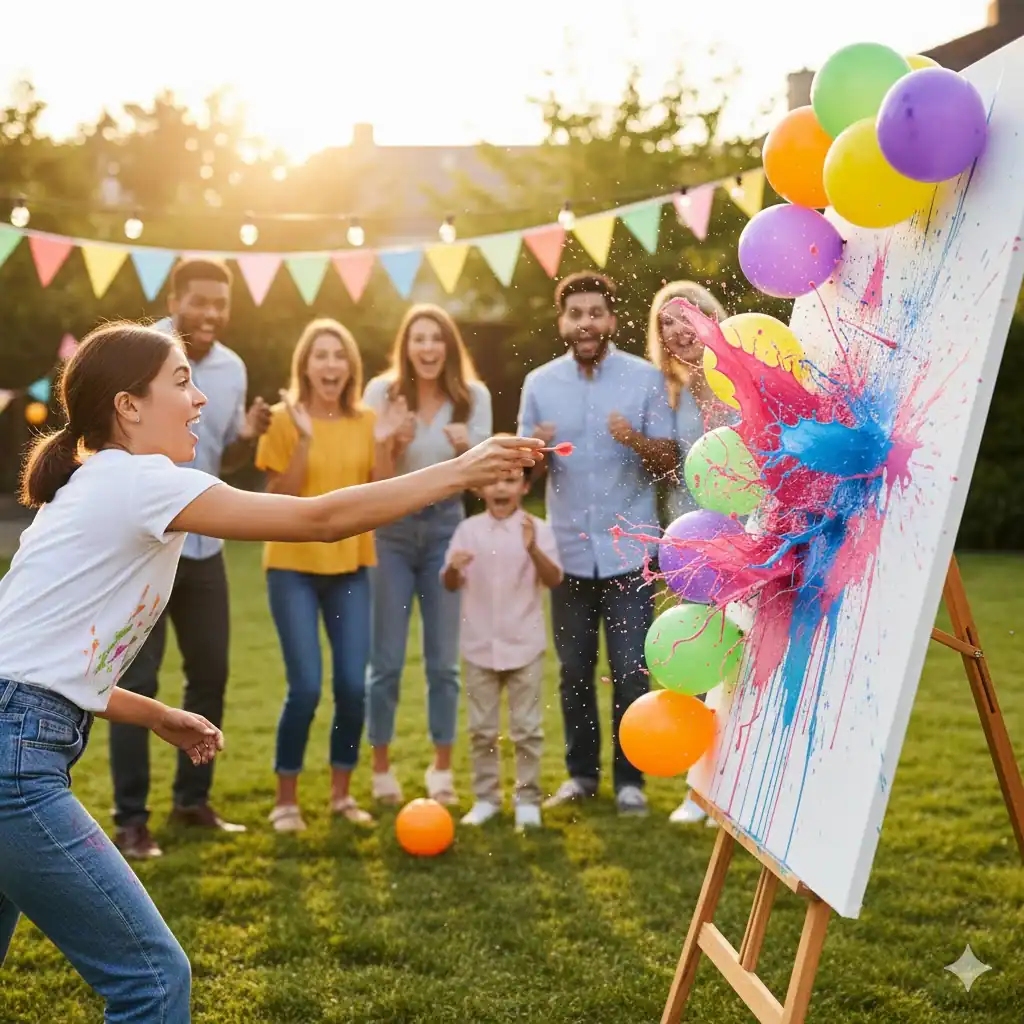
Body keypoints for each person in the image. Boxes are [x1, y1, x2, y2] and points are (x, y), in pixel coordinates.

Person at [0, 322, 540, 1022]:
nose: (199, 400)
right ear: (128, 407)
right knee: (153, 982)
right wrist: (461, 471)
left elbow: (33, 667)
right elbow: (318, 519)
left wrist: (159, 714)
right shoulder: (139, 481)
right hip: (18, 767)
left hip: (20, 743)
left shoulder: (87, 490)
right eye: (181, 382)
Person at [109, 257, 271, 859]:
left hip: (204, 550)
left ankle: (192, 802)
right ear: (174, 298)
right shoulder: (136, 353)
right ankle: (130, 821)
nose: (209, 314)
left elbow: (218, 460)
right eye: (198, 301)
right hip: (145, 547)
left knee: (211, 673)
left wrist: (248, 436)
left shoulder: (232, 368)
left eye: (219, 304)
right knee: (137, 679)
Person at [517, 272, 677, 817]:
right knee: (573, 671)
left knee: (632, 671)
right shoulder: (539, 385)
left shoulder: (646, 379)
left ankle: (632, 782)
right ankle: (582, 775)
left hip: (630, 554)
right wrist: (531, 454)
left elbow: (671, 461)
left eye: (595, 313)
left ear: (611, 320)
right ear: (562, 323)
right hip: (567, 557)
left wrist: (632, 439)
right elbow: (520, 481)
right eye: (575, 314)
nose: (585, 323)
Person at [256, 319, 406, 832]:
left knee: (351, 685)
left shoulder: (367, 420)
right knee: (305, 687)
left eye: (338, 356)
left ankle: (342, 794)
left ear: (349, 367)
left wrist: (385, 442)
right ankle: (286, 799)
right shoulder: (282, 419)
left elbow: (382, 496)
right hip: (292, 569)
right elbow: (278, 498)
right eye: (320, 355)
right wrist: (300, 438)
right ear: (306, 365)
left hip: (350, 569)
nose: (329, 365)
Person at [363, 304, 492, 807]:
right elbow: (374, 482)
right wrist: (389, 442)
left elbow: (487, 481)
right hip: (391, 532)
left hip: (445, 531)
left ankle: (441, 770)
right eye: (418, 338)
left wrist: (469, 451)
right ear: (406, 346)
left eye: (436, 338)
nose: (428, 348)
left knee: (443, 663)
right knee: (387, 661)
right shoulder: (382, 394)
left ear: (449, 346)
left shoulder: (472, 397)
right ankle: (381, 769)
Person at [647, 280, 736, 827]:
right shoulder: (672, 394)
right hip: (691, 544)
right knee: (697, 659)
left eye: (688, 316)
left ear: (711, 316)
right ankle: (697, 789)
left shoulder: (739, 376)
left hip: (746, 538)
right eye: (666, 324)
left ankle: (728, 788)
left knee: (737, 665)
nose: (679, 330)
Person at [441, 456, 562, 831]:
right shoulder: (466, 531)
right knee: (481, 730)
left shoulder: (538, 529)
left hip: (524, 643)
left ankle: (527, 798)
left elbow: (554, 578)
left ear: (524, 488)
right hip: (478, 645)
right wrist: (453, 568)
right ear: (481, 488)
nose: (501, 489)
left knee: (527, 728)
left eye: (510, 481)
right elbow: (448, 583)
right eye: (493, 481)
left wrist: (532, 549)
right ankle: (486, 798)